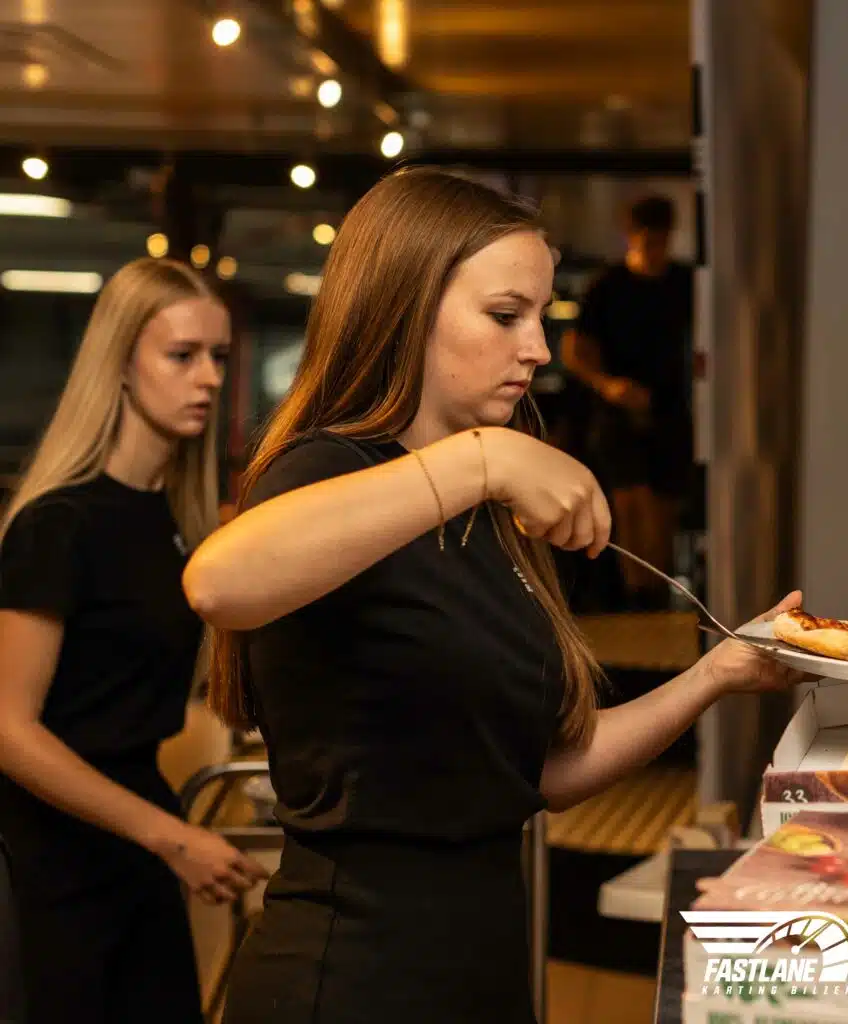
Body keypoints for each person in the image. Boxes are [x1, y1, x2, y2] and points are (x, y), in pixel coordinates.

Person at [183, 167, 799, 1024]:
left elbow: (537, 772)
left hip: (479, 964)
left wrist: (715, 676)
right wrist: (485, 460)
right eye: (507, 315)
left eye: (542, 316)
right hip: (353, 977)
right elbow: (219, 581)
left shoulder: (478, 507)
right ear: (405, 309)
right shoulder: (331, 469)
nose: (539, 348)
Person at [0, 257, 267, 1024]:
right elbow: (9, 731)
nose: (208, 378)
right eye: (182, 355)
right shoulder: (58, 524)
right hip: (53, 858)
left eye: (218, 356)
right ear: (119, 364)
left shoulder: (177, 522)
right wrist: (170, 838)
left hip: (137, 838)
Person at [561, 194, 695, 607]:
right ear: (632, 235)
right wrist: (607, 385)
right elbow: (575, 348)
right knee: (630, 505)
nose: (654, 249)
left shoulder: (684, 284)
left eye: (660, 240)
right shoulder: (608, 286)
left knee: (663, 509)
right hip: (617, 412)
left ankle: (657, 596)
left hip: (669, 410)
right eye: (647, 240)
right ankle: (638, 597)